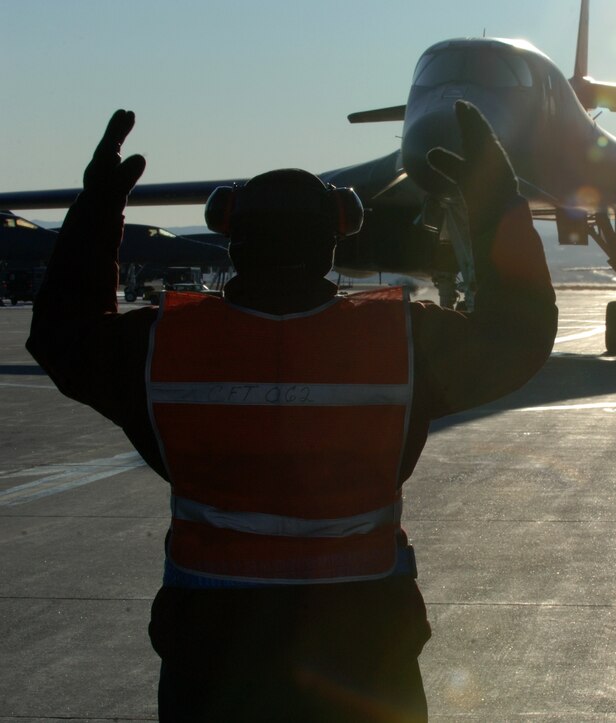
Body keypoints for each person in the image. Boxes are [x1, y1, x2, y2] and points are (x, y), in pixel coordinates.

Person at [26, 105, 556, 721]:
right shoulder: (401, 341)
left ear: (232, 233)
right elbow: (520, 333)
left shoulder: (164, 345)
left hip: (212, 647)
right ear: (333, 237)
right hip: (363, 644)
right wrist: (495, 202)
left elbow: (62, 335)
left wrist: (96, 210)